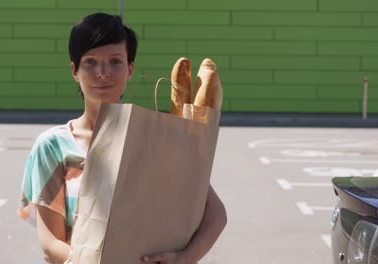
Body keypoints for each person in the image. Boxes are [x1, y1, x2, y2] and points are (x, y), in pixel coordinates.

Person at [18, 12, 227, 264]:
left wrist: (182, 259)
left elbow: (216, 215)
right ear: (74, 70)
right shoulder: (53, 146)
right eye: (91, 61)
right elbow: (51, 246)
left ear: (130, 69)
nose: (103, 72)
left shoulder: (151, 137)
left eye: (115, 62)